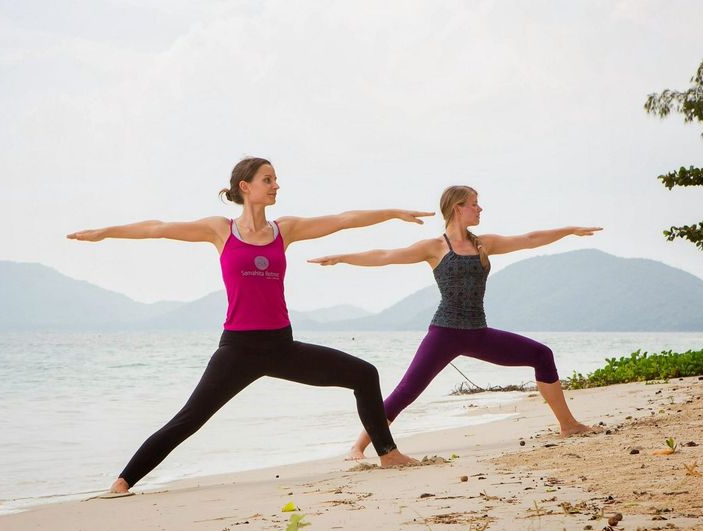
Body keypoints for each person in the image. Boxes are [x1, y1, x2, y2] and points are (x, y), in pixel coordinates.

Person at [67, 157, 431, 495]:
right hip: (238, 350)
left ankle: (388, 454)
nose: (275, 186)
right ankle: (122, 483)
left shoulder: (284, 230)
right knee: (189, 419)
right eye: (267, 180)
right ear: (245, 186)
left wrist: (393, 213)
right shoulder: (220, 230)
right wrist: (105, 232)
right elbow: (157, 229)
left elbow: (343, 219)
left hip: (282, 346)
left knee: (364, 374)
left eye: (275, 180)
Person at [309, 185, 601, 460]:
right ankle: (359, 445)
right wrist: (343, 258)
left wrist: (569, 231)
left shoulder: (484, 244)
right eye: (474, 204)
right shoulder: (435, 247)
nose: (480, 209)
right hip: (445, 333)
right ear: (457, 208)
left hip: (478, 332)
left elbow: (529, 239)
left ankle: (568, 424)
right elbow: (385, 256)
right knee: (407, 390)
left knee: (541, 354)